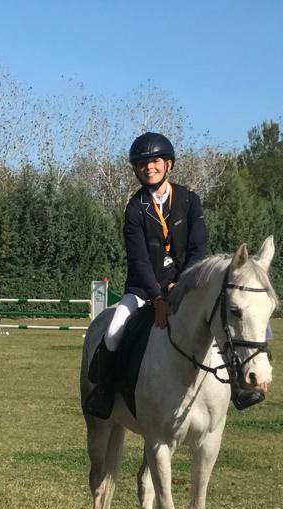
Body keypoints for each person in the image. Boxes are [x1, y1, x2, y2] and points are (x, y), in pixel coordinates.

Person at [82, 132, 207, 419]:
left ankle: (234, 383)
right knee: (113, 331)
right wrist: (159, 297)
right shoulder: (134, 208)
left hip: (185, 288)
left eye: (155, 161)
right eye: (142, 163)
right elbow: (138, 259)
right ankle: (104, 392)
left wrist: (183, 283)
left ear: (168, 164)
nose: (148, 167)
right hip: (142, 291)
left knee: (220, 319)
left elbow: (198, 248)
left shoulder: (189, 200)